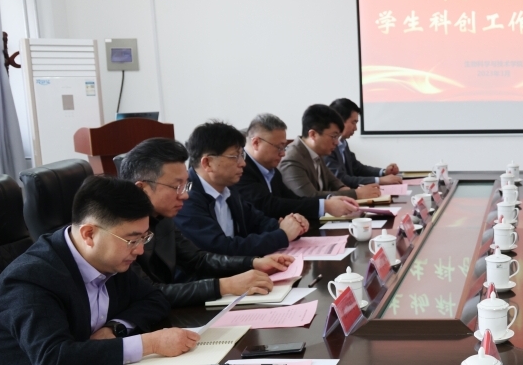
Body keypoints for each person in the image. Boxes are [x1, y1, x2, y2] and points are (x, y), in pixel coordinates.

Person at [0, 177, 197, 365]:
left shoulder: (111, 258)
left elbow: (154, 298)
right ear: (89, 234)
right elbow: (54, 358)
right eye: (132, 240)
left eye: (145, 237)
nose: (140, 250)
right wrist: (149, 344)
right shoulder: (31, 278)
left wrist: (115, 328)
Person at [120, 137, 295, 307]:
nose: (185, 195)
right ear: (142, 188)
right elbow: (149, 292)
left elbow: (198, 259)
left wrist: (253, 262)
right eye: (176, 187)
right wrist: (225, 286)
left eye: (185, 185)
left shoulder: (162, 217)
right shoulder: (118, 230)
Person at [176, 121, 307, 256]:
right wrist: (282, 235)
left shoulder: (228, 188)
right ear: (207, 163)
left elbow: (257, 222)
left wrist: (291, 225)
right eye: (235, 157)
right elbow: (221, 248)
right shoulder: (185, 198)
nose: (243, 163)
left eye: (242, 155)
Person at [235, 113, 359, 225]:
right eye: (279, 147)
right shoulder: (241, 170)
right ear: (256, 143)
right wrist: (324, 206)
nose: (283, 153)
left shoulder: (273, 171)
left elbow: (293, 199)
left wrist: (329, 200)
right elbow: (269, 205)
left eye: (284, 147)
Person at [279, 104, 381, 200]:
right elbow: (309, 197)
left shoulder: (317, 153)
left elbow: (335, 183)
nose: (337, 142)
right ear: (313, 134)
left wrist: (353, 191)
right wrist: (356, 194)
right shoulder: (291, 159)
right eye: (334, 136)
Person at [326, 98, 402, 187]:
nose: (355, 128)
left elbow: (357, 168)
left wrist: (384, 172)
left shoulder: (343, 143)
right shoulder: (327, 147)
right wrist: (379, 180)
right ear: (340, 121)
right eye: (353, 122)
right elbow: (341, 179)